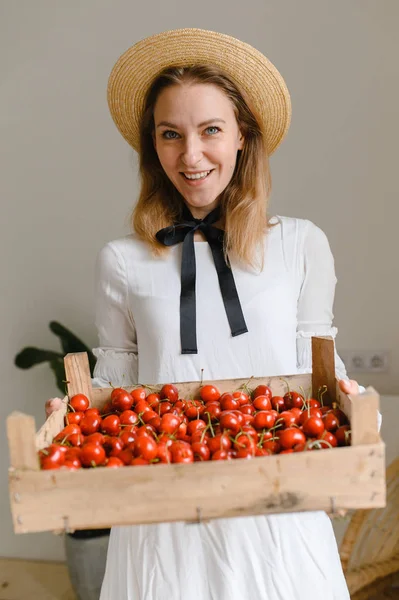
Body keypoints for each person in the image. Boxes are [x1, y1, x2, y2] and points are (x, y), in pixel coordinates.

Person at [47, 28, 366, 600]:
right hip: (163, 521)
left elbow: (319, 370)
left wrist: (354, 403)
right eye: (171, 135)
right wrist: (74, 417)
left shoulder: (300, 245)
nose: (190, 156)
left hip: (275, 511)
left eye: (210, 130)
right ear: (154, 146)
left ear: (243, 135)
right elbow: (116, 382)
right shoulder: (121, 260)